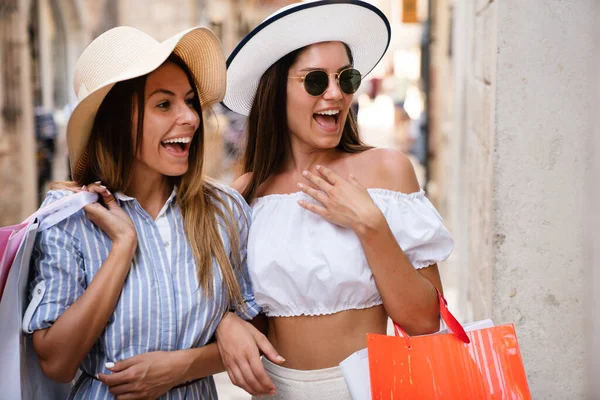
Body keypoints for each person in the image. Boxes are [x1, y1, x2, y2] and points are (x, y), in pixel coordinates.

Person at [24, 26, 281, 399]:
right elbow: (57, 362)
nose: (190, 118)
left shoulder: (224, 211)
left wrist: (194, 356)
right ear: (116, 123)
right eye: (164, 104)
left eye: (190, 102)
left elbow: (260, 334)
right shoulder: (69, 219)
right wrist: (122, 248)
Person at [218, 1, 455, 399]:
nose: (335, 93)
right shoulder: (247, 194)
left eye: (346, 78)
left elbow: (424, 322)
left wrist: (371, 225)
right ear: (276, 92)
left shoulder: (387, 171)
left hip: (368, 389)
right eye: (314, 81)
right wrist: (226, 323)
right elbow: (249, 319)